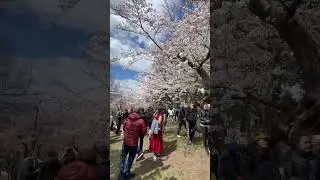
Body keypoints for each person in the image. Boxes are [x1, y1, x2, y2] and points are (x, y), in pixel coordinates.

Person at [119, 109, 147, 179]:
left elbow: (124, 128)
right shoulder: (141, 121)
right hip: (133, 143)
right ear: (139, 114)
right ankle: (126, 173)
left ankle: (122, 174)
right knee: (130, 158)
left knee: (123, 157)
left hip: (125, 142)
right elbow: (143, 132)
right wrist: (138, 134)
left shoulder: (127, 119)